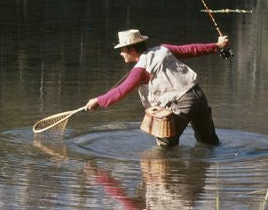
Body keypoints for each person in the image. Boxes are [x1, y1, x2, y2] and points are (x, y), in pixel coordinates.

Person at [85, 28, 229, 148]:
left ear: (132, 50)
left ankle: (166, 172)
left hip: (182, 103)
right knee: (209, 142)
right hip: (198, 95)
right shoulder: (163, 49)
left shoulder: (140, 69)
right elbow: (190, 50)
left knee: (166, 146)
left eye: (122, 50)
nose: (121, 53)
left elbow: (121, 90)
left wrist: (98, 101)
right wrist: (217, 45)